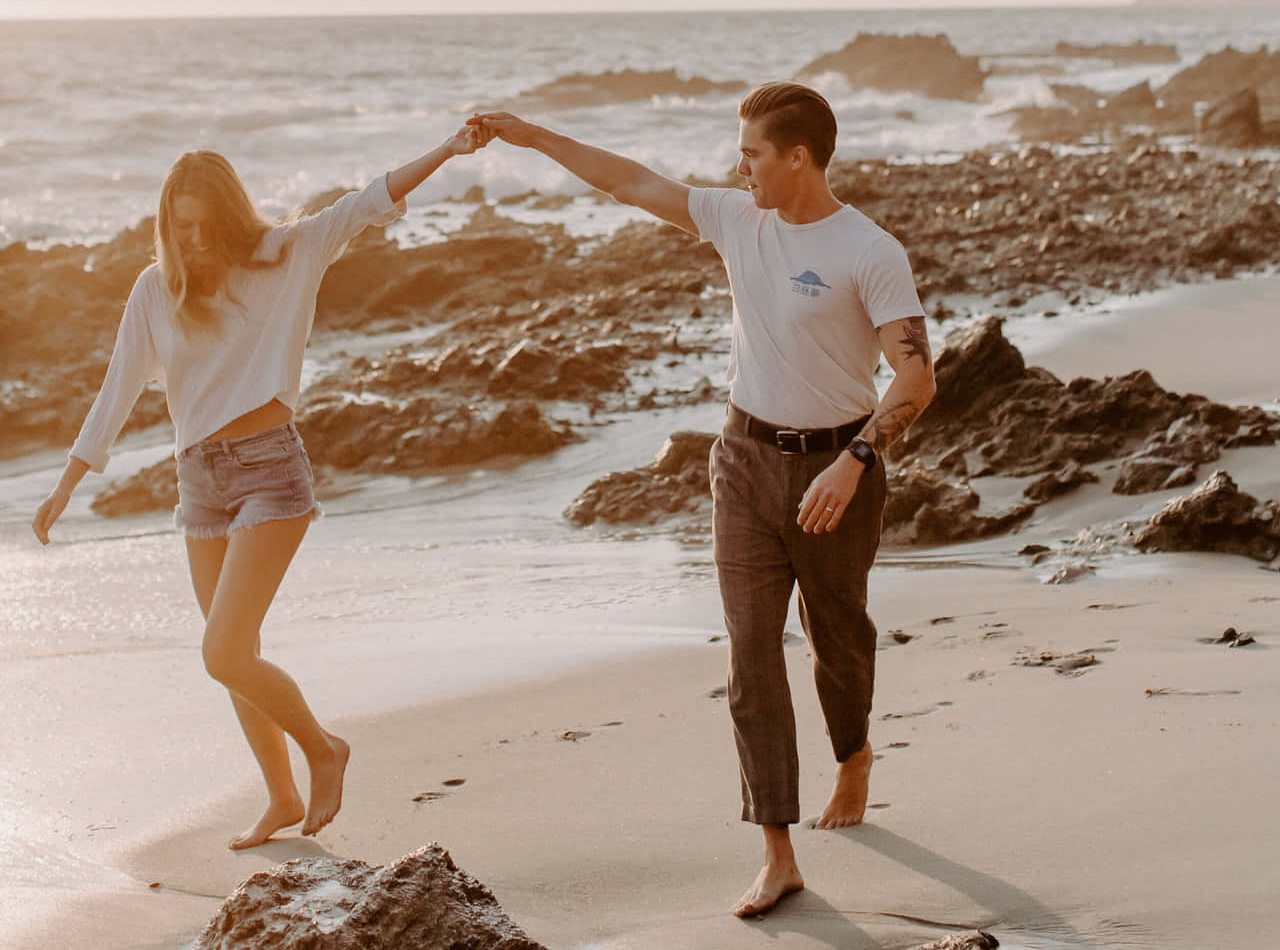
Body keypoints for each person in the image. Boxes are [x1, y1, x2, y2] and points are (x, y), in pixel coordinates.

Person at [473, 82, 935, 920]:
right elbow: (630, 182)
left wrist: (856, 461)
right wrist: (529, 134)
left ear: (799, 157)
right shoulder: (735, 219)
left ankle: (854, 751)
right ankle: (778, 850)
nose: (739, 166)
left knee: (839, 638)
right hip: (744, 462)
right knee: (750, 653)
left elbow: (916, 373)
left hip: (839, 471)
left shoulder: (870, 249)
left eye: (754, 153)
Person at [32, 125, 484, 849]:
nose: (197, 243)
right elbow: (116, 389)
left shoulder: (287, 253)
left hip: (271, 469)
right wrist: (67, 484)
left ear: (232, 216)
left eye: (209, 227)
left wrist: (450, 149)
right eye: (182, 230)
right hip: (198, 481)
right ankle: (279, 797)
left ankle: (324, 749)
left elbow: (368, 201)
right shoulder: (156, 289)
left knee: (224, 651)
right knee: (234, 652)